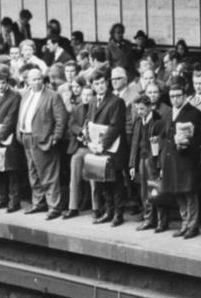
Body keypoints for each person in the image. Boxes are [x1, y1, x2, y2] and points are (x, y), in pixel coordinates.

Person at [17, 68, 67, 219]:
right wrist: (19, 133)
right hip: (26, 138)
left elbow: (61, 119)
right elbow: (21, 115)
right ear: (28, 82)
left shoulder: (53, 96)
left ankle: (54, 206)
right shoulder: (26, 95)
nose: (37, 81)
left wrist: (55, 138)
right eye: (34, 79)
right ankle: (38, 202)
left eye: (39, 78)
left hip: (44, 140)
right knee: (33, 173)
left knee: (49, 175)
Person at [160, 80, 201, 239]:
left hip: (187, 159)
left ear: (184, 96)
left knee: (189, 193)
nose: (175, 99)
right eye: (172, 96)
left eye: (178, 96)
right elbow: (164, 136)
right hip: (171, 158)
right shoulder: (167, 113)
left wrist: (189, 142)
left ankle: (192, 226)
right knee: (177, 192)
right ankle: (184, 223)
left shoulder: (194, 113)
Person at [85, 70, 127, 226]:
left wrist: (102, 145)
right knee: (102, 181)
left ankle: (118, 214)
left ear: (107, 83)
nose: (100, 86)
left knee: (115, 181)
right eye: (96, 84)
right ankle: (108, 212)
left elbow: (115, 126)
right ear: (93, 86)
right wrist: (88, 142)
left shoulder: (116, 101)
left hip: (111, 148)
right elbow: (88, 123)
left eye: (102, 82)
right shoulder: (93, 100)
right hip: (96, 147)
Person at [0, 65, 23, 213]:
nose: (0, 86)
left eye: (3, 82)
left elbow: (10, 119)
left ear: (7, 82)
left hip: (8, 138)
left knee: (11, 170)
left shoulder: (14, 96)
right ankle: (1, 198)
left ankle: (14, 201)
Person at [129, 94, 166, 231]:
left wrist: (160, 165)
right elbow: (134, 144)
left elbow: (162, 145)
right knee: (144, 191)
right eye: (138, 109)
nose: (139, 112)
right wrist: (132, 164)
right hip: (142, 160)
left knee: (156, 190)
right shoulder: (138, 122)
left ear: (150, 107)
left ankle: (162, 221)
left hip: (153, 161)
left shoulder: (158, 122)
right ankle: (148, 219)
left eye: (142, 109)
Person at [63, 84, 93, 219]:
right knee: (74, 177)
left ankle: (96, 208)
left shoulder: (97, 108)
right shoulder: (77, 108)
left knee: (94, 179)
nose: (86, 97)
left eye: (89, 95)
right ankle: (73, 207)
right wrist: (81, 131)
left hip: (93, 148)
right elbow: (71, 125)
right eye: (84, 95)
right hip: (80, 147)